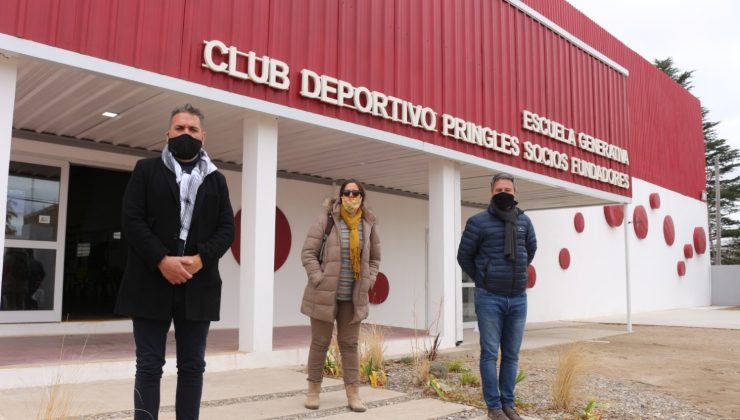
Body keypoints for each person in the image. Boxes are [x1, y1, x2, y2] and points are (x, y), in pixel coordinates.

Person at [114, 104, 234, 420]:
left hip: (198, 284)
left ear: (203, 136)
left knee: (193, 366)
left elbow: (227, 229)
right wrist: (161, 260)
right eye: (179, 128)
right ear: (168, 133)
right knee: (149, 365)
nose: (186, 134)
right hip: (150, 281)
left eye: (192, 130)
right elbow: (132, 220)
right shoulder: (146, 170)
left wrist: (201, 259)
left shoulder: (216, 180)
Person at [457, 173, 537, 420]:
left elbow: (530, 251)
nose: (504, 192)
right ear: (491, 192)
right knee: (490, 354)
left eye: (508, 188)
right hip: (489, 297)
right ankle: (494, 407)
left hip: (518, 298)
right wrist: (484, 277)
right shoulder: (478, 222)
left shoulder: (524, 222)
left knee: (511, 355)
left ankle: (508, 405)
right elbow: (464, 256)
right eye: (499, 188)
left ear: (515, 193)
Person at [300, 179, 381, 412]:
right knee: (319, 343)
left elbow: (375, 259)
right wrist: (318, 278)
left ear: (362, 197)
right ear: (341, 195)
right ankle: (313, 390)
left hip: (352, 298)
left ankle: (353, 394)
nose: (351, 196)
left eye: (356, 193)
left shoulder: (369, 225)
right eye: (347, 192)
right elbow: (308, 253)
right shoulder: (325, 220)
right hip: (324, 294)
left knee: (349, 345)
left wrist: (370, 280)